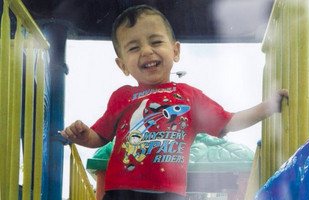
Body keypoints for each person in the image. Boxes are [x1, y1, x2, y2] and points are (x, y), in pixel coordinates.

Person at [60, 4, 289, 200]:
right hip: (121, 191)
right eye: (134, 47)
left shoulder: (189, 96)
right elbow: (100, 136)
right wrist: (83, 135)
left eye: (155, 41)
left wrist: (267, 107)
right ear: (122, 66)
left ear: (175, 51)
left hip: (169, 193)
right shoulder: (123, 96)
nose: (147, 51)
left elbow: (229, 121)